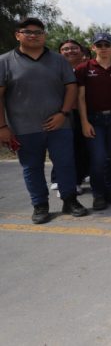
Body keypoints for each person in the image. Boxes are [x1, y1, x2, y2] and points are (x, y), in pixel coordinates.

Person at [0, 18, 88, 223]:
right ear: (17, 35)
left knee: (66, 164)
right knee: (32, 167)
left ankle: (70, 200)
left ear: (44, 35)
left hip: (60, 124)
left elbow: (71, 88)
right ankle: (39, 205)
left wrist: (63, 114)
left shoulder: (59, 61)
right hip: (24, 127)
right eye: (27, 32)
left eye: (38, 32)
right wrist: (2, 126)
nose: (33, 35)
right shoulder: (4, 62)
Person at [76, 33, 111, 210]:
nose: (104, 48)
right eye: (99, 45)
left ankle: (110, 192)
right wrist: (84, 122)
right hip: (94, 119)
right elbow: (81, 98)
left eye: (107, 45)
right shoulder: (84, 68)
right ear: (93, 48)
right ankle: (98, 195)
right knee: (98, 158)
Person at [52, 39, 88, 194]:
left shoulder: (87, 69)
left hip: (81, 113)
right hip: (60, 114)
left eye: (74, 48)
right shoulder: (54, 69)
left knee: (80, 148)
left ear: (82, 51)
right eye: (65, 49)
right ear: (60, 52)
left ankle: (77, 180)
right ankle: (59, 179)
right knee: (61, 149)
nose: (70, 51)